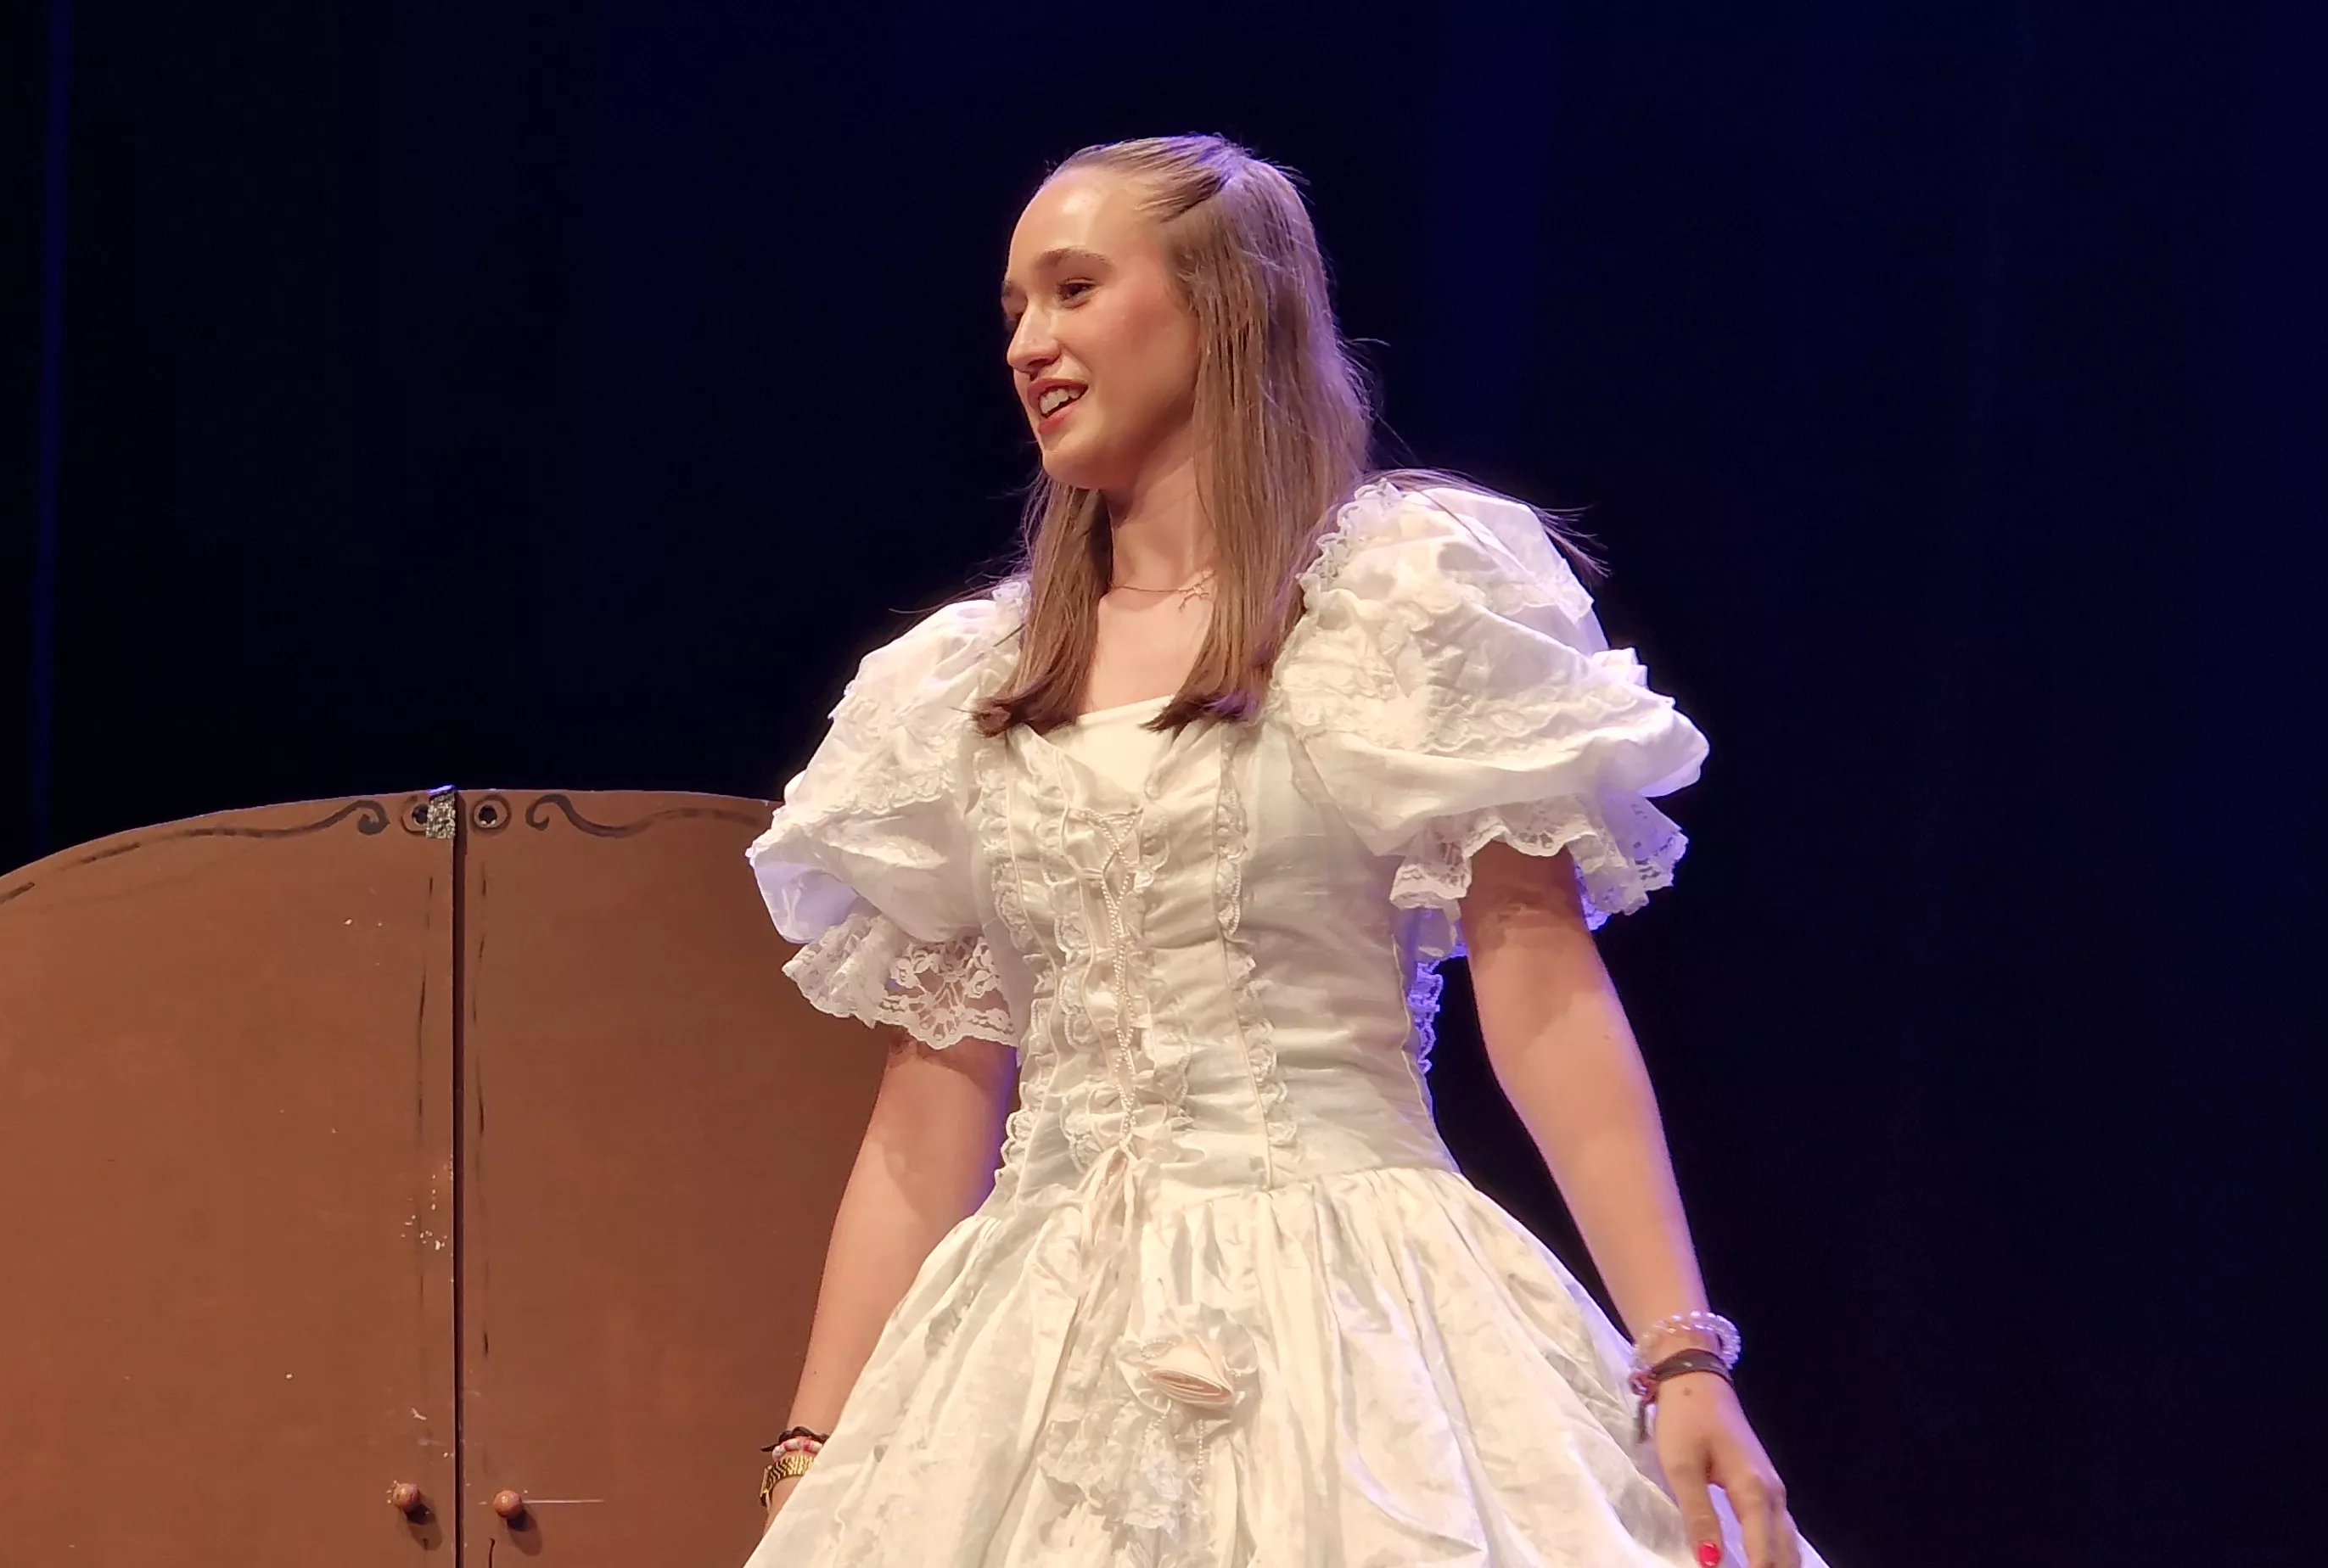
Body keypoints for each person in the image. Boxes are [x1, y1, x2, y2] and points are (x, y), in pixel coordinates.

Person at [738, 134, 1820, 1568]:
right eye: (1013, 310)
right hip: (1025, 1338)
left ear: (1224, 304)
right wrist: (810, 1452)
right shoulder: (960, 688)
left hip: (1348, 1306)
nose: (1029, 343)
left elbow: (1541, 982)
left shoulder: (1398, 598)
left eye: (1072, 289)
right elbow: (923, 1124)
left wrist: (1681, 1356)